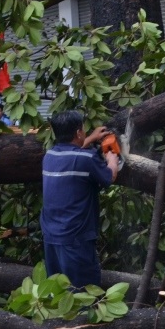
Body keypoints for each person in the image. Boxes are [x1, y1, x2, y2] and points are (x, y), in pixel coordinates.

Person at [40, 111, 119, 288]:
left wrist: (90, 139)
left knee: (58, 290)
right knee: (83, 292)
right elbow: (110, 176)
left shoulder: (49, 156)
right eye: (83, 129)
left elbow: (72, 155)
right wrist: (112, 158)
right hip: (76, 239)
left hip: (51, 237)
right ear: (78, 133)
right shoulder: (87, 158)